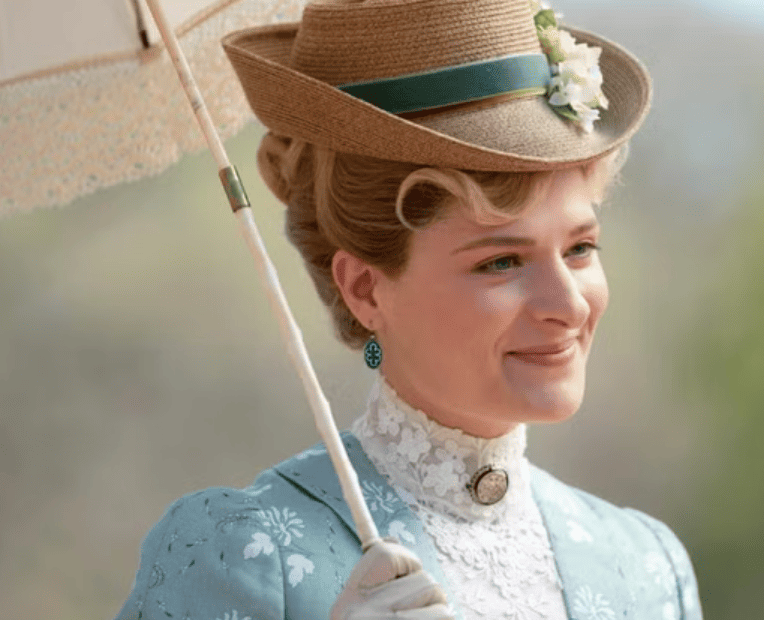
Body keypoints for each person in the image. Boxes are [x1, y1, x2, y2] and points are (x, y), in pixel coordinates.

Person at [115, 0, 702, 618]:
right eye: (501, 262)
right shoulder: (238, 555)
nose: (567, 304)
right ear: (365, 289)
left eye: (581, 248)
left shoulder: (645, 568)